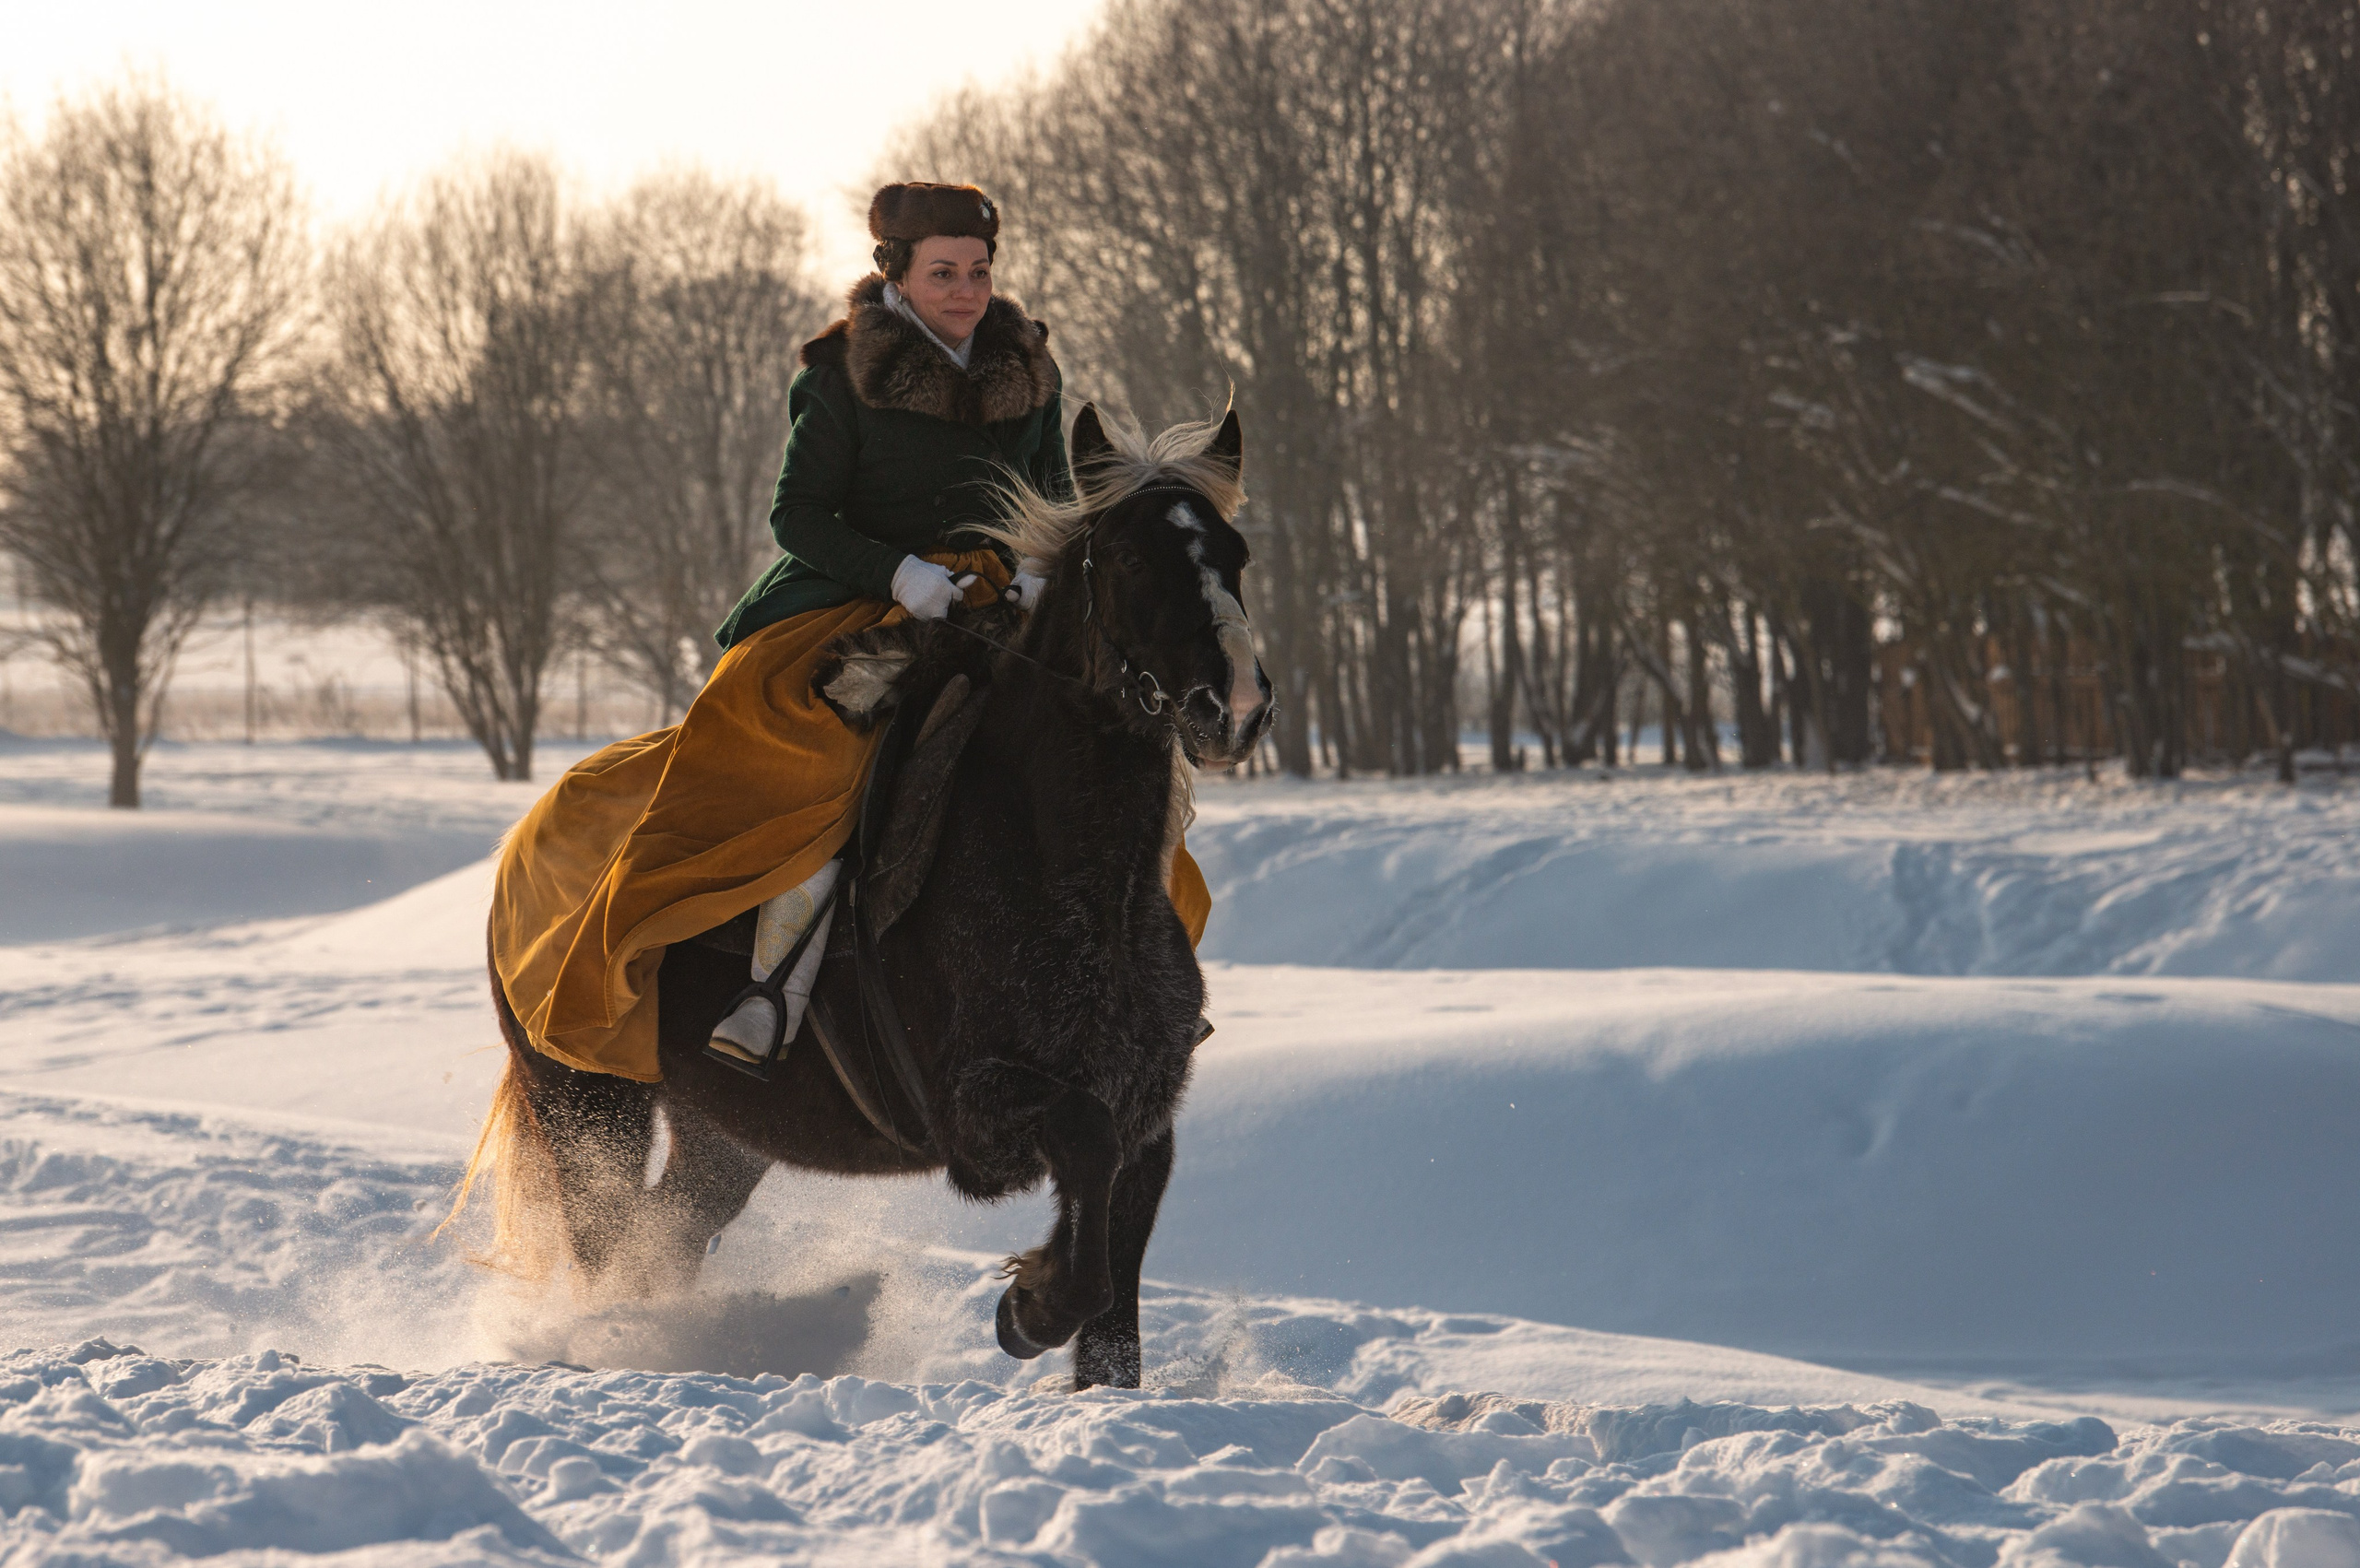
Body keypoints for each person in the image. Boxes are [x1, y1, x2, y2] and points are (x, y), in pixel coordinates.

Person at [490, 183, 1210, 1083]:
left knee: (1104, 754)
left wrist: (1039, 571)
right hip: (856, 604)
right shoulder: (838, 377)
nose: (965, 290)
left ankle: (1143, 982)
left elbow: (1054, 501)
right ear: (896, 275)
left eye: (978, 271)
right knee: (823, 765)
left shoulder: (1031, 370)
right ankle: (769, 991)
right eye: (942, 272)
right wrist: (901, 574)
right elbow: (798, 516)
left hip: (998, 605)